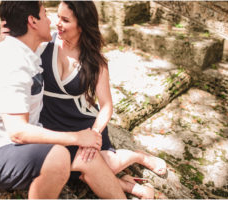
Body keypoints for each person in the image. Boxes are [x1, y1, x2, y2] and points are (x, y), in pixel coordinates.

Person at [0, 1, 126, 199]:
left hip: (25, 144)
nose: (53, 22)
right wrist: (77, 137)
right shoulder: (13, 60)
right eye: (46, 15)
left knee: (89, 158)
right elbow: (18, 132)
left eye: (63, 19)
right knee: (58, 156)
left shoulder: (28, 52)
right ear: (32, 21)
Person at [37, 1, 167, 199]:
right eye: (58, 17)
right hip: (51, 126)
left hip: (83, 124)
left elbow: (106, 105)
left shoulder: (95, 61)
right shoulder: (44, 44)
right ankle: (128, 186)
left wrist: (94, 135)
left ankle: (138, 157)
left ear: (82, 25)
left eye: (65, 20)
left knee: (101, 164)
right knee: (66, 169)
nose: (57, 23)